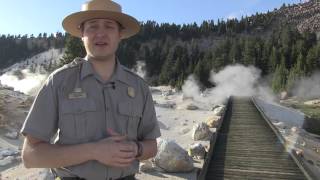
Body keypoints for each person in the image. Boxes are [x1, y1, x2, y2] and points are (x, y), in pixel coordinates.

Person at [20, 0, 161, 179]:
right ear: (82, 34)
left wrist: (137, 149)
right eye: (92, 27)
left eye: (109, 26)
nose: (100, 33)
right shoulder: (59, 82)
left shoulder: (139, 87)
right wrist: (94, 151)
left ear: (120, 34)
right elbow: (30, 156)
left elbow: (152, 146)